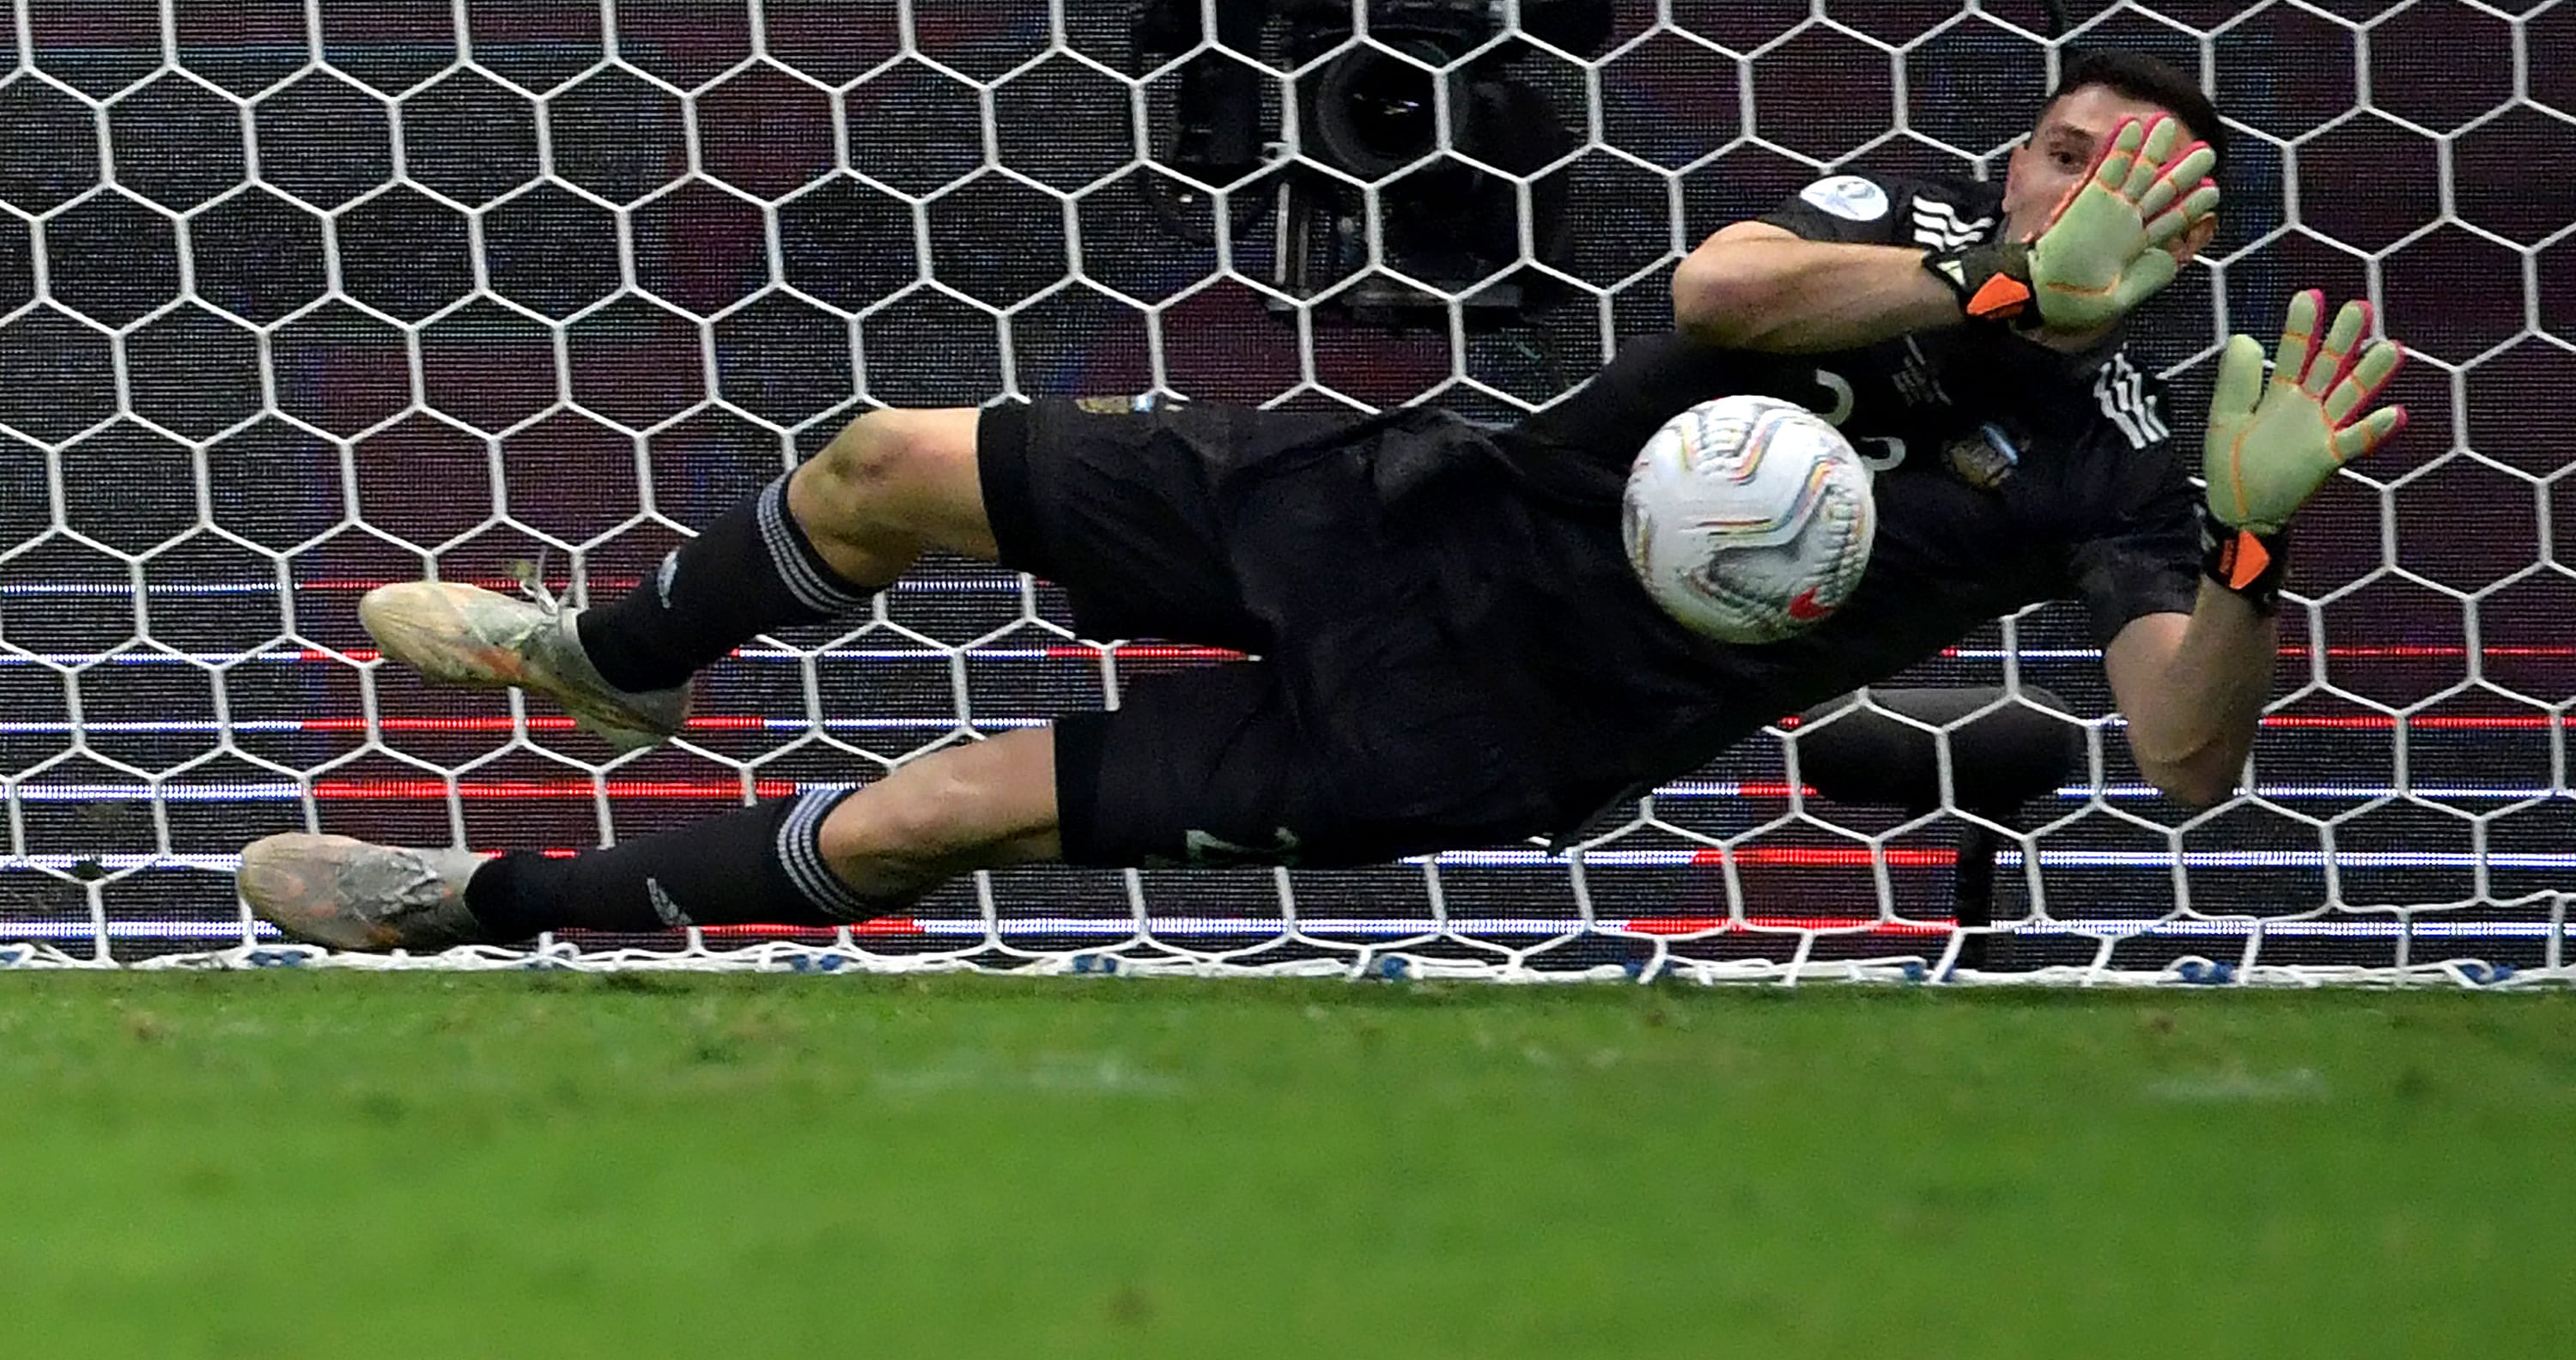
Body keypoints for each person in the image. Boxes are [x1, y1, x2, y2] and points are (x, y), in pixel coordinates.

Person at [238, 49, 2405, 952]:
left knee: (933, 815)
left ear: (2196, 233)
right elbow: (1721, 291)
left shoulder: (2141, 451)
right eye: (2064, 151)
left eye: (2137, 180)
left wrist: (2250, 546)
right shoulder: (1909, 228)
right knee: (886, 461)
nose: (2081, 185)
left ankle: (469, 906)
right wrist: (1998, 282)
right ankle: (615, 655)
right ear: (2020, 159)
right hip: (1401, 509)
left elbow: (2185, 753)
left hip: (1506, 714)